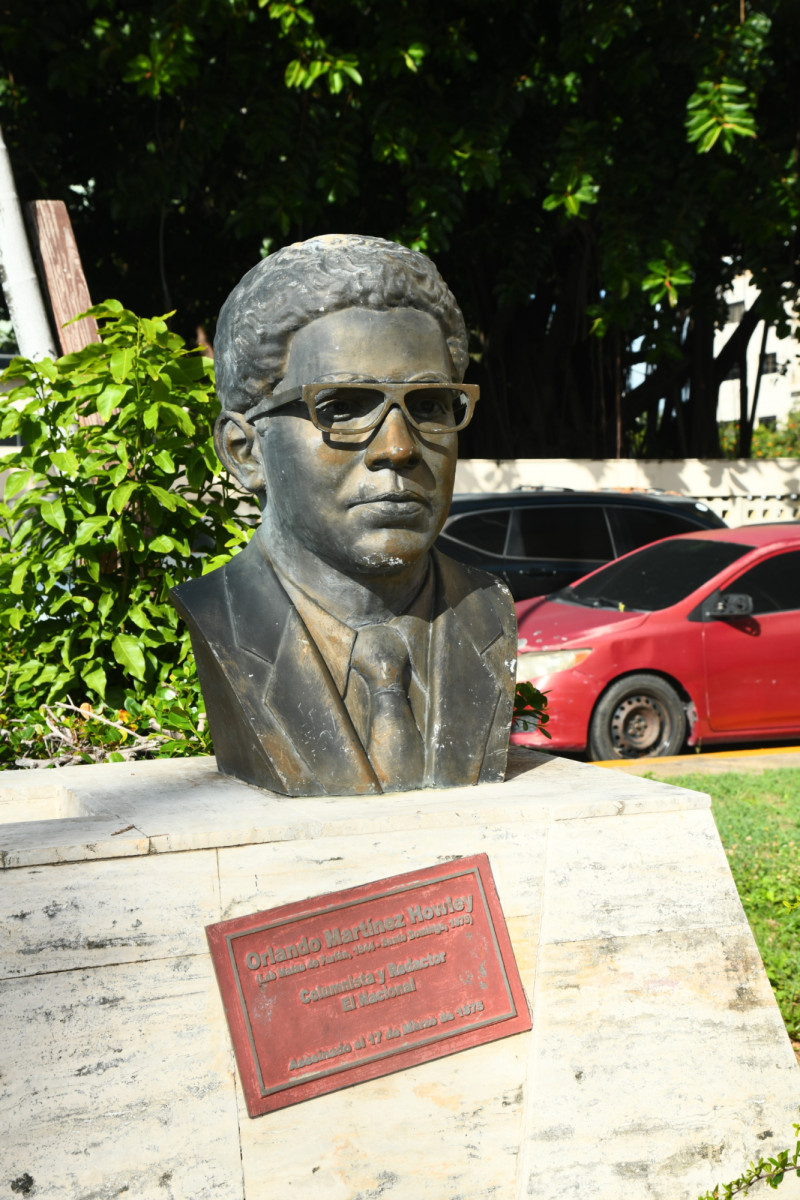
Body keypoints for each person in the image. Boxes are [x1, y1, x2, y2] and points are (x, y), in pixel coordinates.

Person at [171, 234, 516, 796]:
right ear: (245, 451)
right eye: (343, 407)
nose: (398, 447)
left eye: (428, 405)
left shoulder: (488, 614)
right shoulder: (222, 616)